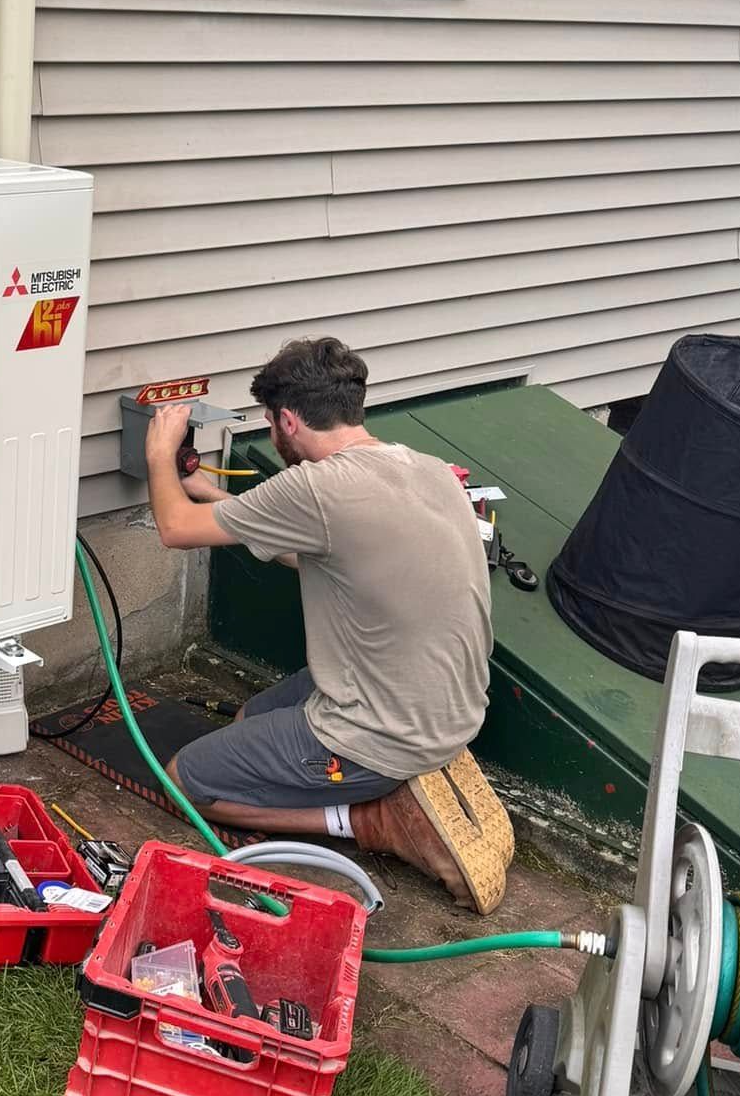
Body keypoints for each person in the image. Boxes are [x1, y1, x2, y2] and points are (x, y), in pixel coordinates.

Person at [144, 337, 512, 912]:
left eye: (271, 424)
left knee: (185, 781)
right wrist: (210, 494)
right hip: (448, 709)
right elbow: (317, 548)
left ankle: (368, 818)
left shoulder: (317, 489)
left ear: (288, 420)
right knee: (249, 719)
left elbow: (173, 526)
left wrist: (158, 452)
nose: (272, 435)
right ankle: (374, 784)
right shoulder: (426, 468)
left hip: (383, 734)